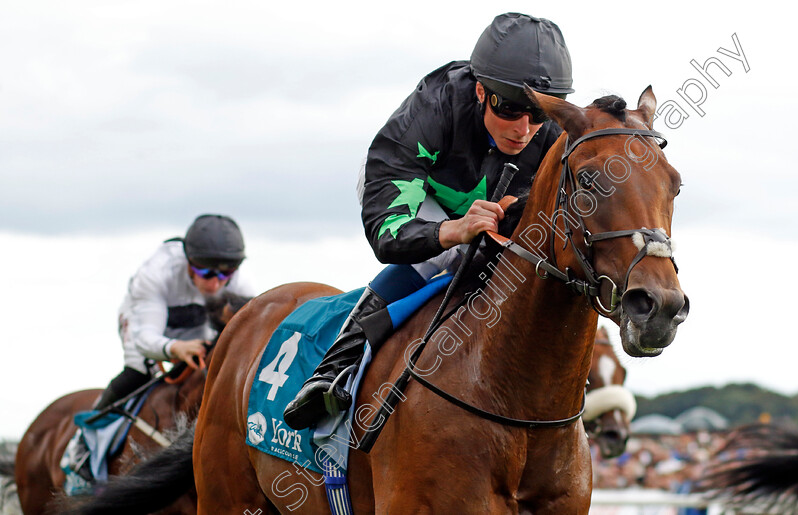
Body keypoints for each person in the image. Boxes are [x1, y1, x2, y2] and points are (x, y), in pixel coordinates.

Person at [283, 12, 574, 430]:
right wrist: (451, 231)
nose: (524, 129)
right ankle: (334, 368)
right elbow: (387, 230)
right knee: (444, 257)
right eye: (509, 108)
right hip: (409, 190)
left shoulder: (551, 133)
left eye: (538, 114)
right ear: (480, 90)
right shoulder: (434, 108)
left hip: (485, 200)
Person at [65, 214, 254, 481]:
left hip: (195, 324)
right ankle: (83, 442)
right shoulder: (157, 273)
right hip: (144, 325)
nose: (215, 283)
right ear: (189, 261)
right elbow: (146, 338)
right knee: (140, 371)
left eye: (226, 274)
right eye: (205, 273)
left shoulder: (237, 282)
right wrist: (174, 348)